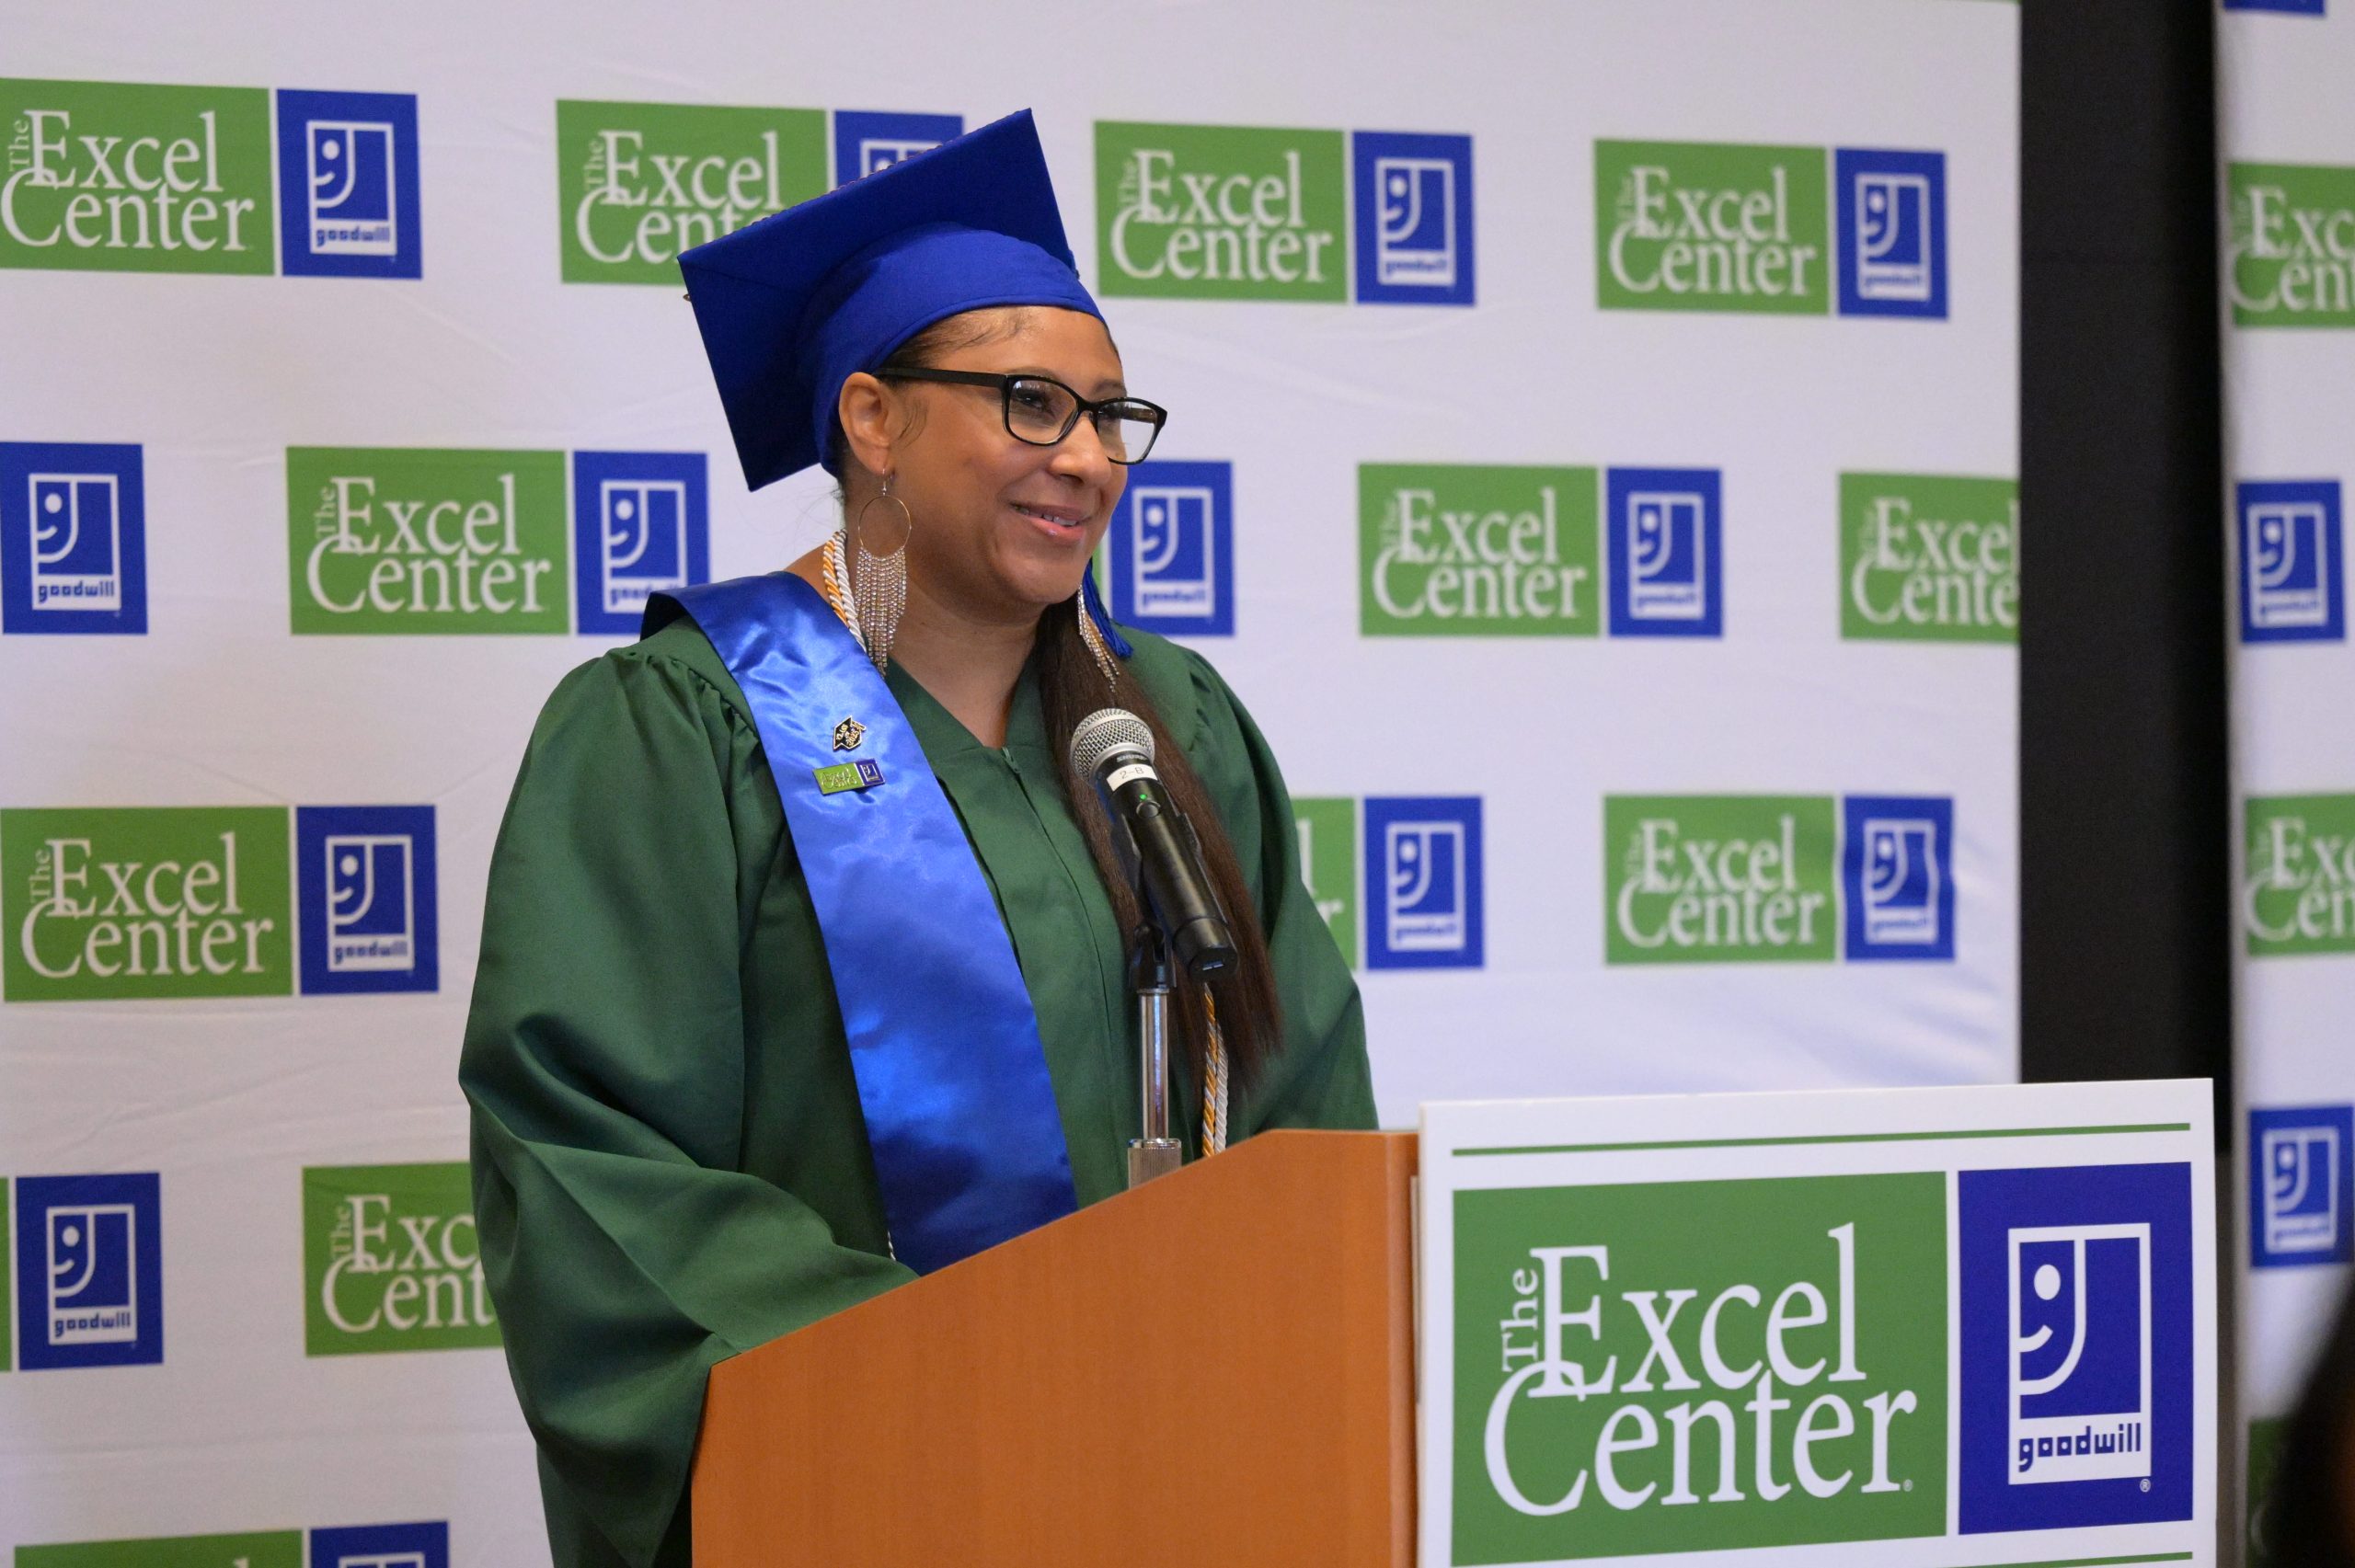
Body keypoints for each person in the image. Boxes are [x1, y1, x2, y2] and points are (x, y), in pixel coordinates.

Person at [458, 110, 1376, 1568]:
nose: (1086, 460)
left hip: (1182, 1488)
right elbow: (586, 1151)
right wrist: (967, 1378)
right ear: (873, 419)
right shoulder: (684, 732)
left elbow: (1301, 1108)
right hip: (865, 1496)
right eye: (1029, 403)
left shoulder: (1164, 729)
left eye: (1108, 417)